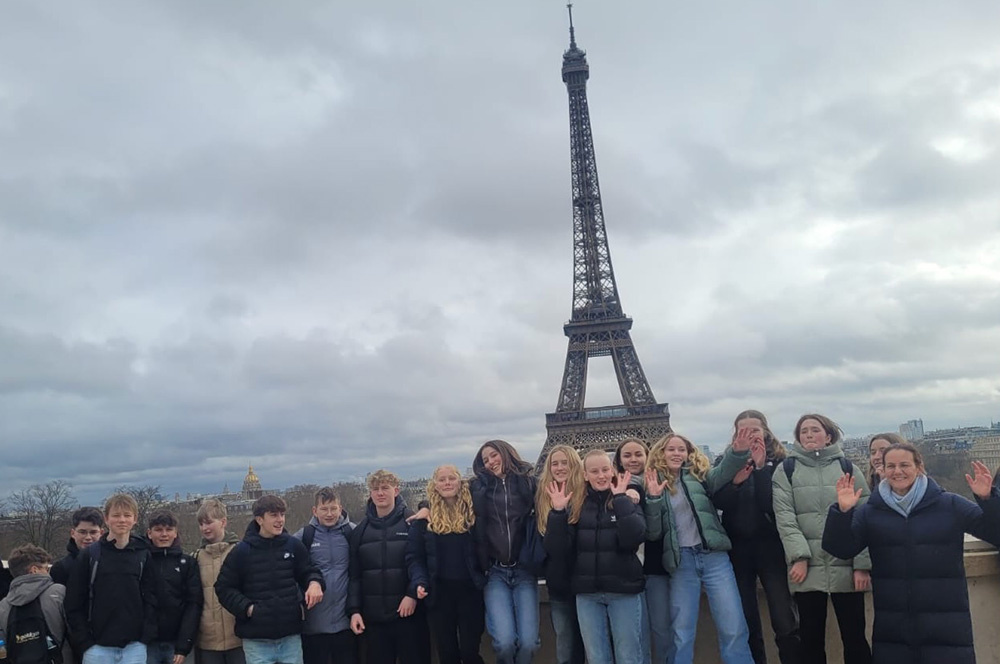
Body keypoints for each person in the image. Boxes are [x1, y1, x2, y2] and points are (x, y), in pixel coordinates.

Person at [823, 443, 1000, 664]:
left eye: (904, 465)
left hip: (946, 625)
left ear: (919, 467)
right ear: (882, 470)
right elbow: (840, 549)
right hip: (894, 628)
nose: (897, 471)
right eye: (891, 466)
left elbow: (995, 533)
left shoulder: (950, 504)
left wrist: (988, 499)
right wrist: (843, 512)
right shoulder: (870, 512)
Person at [644, 433, 754, 664]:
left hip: (714, 558)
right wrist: (653, 499)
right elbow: (653, 533)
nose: (676, 453)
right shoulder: (652, 483)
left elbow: (723, 472)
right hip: (681, 561)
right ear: (661, 453)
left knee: (733, 626)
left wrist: (738, 452)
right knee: (681, 632)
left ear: (688, 453)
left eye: (681, 449)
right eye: (671, 449)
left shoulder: (700, 476)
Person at [772, 414, 872, 664]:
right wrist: (799, 556)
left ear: (828, 436)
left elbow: (864, 519)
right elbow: (785, 518)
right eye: (803, 431)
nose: (808, 435)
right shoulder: (786, 471)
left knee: (855, 638)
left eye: (814, 430)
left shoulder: (848, 468)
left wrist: (862, 565)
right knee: (810, 641)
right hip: (806, 567)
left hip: (845, 564)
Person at [713, 410, 802, 664]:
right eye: (743, 430)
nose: (750, 434)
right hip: (738, 549)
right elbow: (718, 502)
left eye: (754, 429)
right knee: (746, 619)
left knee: (784, 618)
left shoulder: (782, 463)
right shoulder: (724, 462)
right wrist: (736, 483)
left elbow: (771, 505)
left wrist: (761, 469)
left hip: (771, 548)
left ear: (765, 431)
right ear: (735, 434)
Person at [546, 450, 647, 664]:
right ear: (585, 475)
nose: (601, 476)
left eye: (605, 470)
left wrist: (620, 500)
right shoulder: (576, 505)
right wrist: (557, 513)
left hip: (623, 591)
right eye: (594, 471)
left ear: (612, 471)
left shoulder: (626, 499)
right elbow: (558, 550)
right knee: (596, 658)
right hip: (587, 594)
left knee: (628, 656)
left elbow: (633, 539)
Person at [214, 495, 325, 664]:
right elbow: (223, 588)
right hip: (257, 640)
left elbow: (309, 571)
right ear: (259, 519)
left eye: (282, 515)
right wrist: (248, 609)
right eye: (274, 515)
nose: (280, 520)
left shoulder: (293, 545)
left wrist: (314, 583)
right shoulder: (241, 552)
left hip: (290, 636)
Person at [470, 440, 540, 664]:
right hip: (495, 572)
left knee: (529, 643)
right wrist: (424, 508)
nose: (490, 462)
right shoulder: (477, 488)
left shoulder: (530, 483)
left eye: (494, 455)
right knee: (504, 642)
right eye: (485, 460)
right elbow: (447, 497)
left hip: (524, 570)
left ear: (506, 452)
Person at [65, 493, 157, 664]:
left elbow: (151, 598)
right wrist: (85, 642)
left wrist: (145, 637)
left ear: (135, 519)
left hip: (134, 647)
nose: (122, 520)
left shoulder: (143, 554)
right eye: (116, 515)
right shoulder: (90, 555)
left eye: (127, 515)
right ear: (106, 519)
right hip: (97, 648)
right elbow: (73, 602)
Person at [347, 470, 428, 664]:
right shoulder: (360, 531)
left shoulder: (412, 522)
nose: (380, 493)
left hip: (409, 615)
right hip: (374, 620)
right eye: (375, 489)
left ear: (396, 491)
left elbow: (423, 562)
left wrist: (412, 594)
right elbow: (355, 575)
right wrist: (354, 610)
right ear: (370, 493)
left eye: (385, 488)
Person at [407, 465, 486, 664]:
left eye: (452, 478)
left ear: (460, 482)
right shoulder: (423, 520)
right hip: (439, 594)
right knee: (447, 654)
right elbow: (415, 557)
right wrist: (419, 581)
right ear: (435, 485)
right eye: (442, 480)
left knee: (470, 652)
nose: (447, 483)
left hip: (470, 592)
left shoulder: (473, 514)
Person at [293, 488, 357, 664]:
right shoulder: (304, 536)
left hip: (346, 624)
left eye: (333, 508)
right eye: (324, 509)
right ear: (315, 511)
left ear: (340, 509)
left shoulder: (352, 532)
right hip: (314, 626)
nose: (329, 514)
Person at [536, 446, 586, 664]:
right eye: (554, 463)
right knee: (565, 642)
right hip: (559, 585)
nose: (559, 468)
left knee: (593, 644)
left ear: (574, 464)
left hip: (588, 582)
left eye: (564, 462)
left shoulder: (588, 494)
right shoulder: (541, 498)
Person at [0, 544, 74, 664]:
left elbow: (2, 649)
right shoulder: (57, 592)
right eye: (46, 568)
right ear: (34, 570)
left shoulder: (3, 606)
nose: (49, 573)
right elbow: (74, 631)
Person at [145, 510, 202, 664]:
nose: (164, 534)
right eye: (158, 530)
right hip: (148, 644)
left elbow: (193, 604)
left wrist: (184, 645)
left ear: (175, 533)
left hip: (178, 643)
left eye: (169, 529)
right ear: (149, 533)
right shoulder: (142, 562)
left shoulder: (188, 563)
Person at [193, 499, 245, 664]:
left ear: (223, 522)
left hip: (238, 637)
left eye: (209, 522)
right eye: (201, 524)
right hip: (208, 640)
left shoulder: (241, 552)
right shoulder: (195, 558)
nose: (204, 528)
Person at [50, 507, 105, 586]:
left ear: (101, 533)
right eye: (82, 532)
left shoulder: (110, 563)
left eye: (93, 532)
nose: (88, 537)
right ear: (73, 533)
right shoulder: (61, 568)